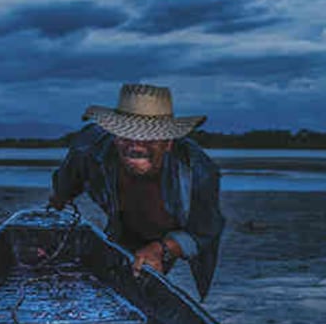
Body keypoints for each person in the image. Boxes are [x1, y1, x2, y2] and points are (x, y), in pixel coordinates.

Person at [48, 83, 226, 299]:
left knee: (144, 286)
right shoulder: (87, 149)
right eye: (126, 136)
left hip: (165, 234)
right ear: (114, 136)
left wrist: (162, 249)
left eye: (149, 138)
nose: (137, 146)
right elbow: (63, 188)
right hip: (120, 223)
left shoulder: (198, 170)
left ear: (168, 142)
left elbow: (206, 230)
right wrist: (49, 224)